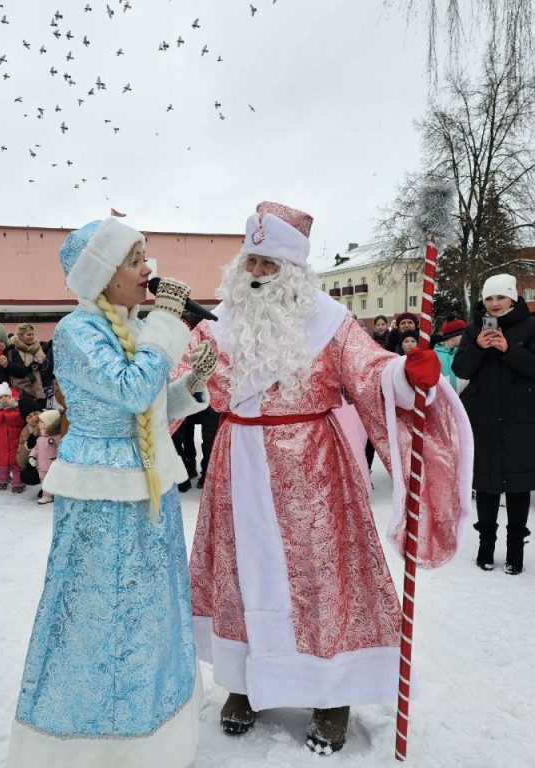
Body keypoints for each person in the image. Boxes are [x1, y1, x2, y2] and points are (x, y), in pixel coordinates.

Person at [174, 201, 470, 754]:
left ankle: (333, 696)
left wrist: (406, 374)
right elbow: (181, 383)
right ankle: (244, 683)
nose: (258, 274)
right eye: (252, 262)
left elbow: (369, 369)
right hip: (237, 465)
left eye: (269, 263)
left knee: (319, 581)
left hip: (313, 472)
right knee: (239, 574)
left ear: (294, 268)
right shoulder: (218, 327)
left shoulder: (332, 322)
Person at [8, 217, 215, 767]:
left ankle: (154, 726)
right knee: (102, 611)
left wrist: (190, 386)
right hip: (102, 492)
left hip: (148, 484)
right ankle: (97, 740)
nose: (149, 269)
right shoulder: (78, 331)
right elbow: (129, 389)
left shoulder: (126, 324)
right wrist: (168, 323)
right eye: (135, 259)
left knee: (151, 607)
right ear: (102, 273)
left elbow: (148, 406)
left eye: (146, 256)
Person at [453, 274, 535, 575]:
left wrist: (509, 349)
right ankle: (486, 544)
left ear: (513, 298)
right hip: (483, 416)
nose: (494, 304)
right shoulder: (474, 330)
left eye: (500, 298)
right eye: (489, 299)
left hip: (521, 417)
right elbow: (461, 368)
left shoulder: (532, 326)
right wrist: (479, 347)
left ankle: (515, 548)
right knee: (486, 482)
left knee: (518, 484)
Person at [0, 382, 24, 492]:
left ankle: (18, 483)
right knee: (1, 464)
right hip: (0, 442)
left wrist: (6, 414)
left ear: (11, 396)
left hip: (15, 440)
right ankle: (1, 480)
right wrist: (2, 414)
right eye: (0, 397)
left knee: (16, 464)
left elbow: (19, 419)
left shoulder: (17, 407)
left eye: (6, 396)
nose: (4, 399)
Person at [28, 409, 62, 505]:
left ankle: (57, 495)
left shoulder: (56, 437)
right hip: (41, 464)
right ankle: (46, 496)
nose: (39, 423)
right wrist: (32, 457)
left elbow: (61, 448)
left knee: (55, 479)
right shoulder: (40, 437)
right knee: (44, 480)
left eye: (42, 422)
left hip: (53, 463)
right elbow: (36, 448)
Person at [434, 318, 467, 393]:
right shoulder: (435, 355)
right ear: (453, 335)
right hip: (443, 400)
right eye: (463, 334)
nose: (466, 338)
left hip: (463, 400)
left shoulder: (465, 353)